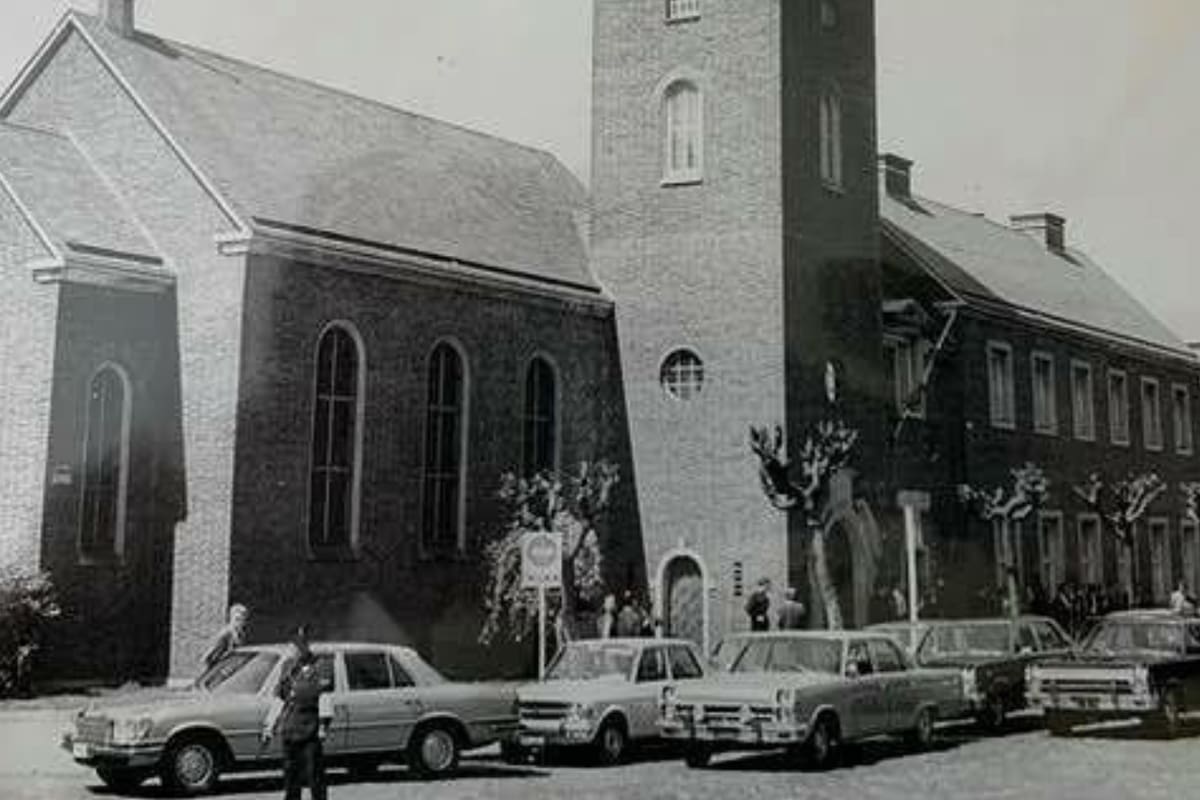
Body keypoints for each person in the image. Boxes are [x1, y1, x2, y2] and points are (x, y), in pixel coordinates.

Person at [263, 626, 332, 800]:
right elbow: (280, 698)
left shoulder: (321, 665)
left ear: (305, 646)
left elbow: (324, 697)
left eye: (297, 646)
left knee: (314, 776)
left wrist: (323, 726)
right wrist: (270, 725)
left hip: (310, 730)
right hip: (290, 729)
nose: (292, 650)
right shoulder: (287, 667)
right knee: (291, 777)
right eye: (292, 646)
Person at [202, 603, 248, 670]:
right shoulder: (226, 633)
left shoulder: (241, 634)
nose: (240, 622)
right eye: (237, 619)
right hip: (221, 669)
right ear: (231, 618)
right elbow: (208, 655)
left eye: (243, 619)